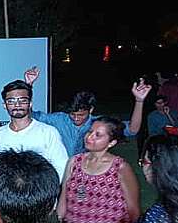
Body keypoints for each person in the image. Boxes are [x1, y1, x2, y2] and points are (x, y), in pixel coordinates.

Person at [57, 117, 140, 223]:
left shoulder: (120, 167)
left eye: (98, 135)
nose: (90, 137)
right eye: (90, 131)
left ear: (111, 143)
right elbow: (64, 198)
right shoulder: (74, 161)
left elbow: (133, 209)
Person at [24, 66, 152, 157]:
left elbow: (132, 129)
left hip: (87, 170)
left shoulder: (98, 123)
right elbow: (30, 117)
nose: (76, 118)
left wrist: (139, 101)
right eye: (72, 114)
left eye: (81, 115)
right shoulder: (59, 119)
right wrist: (28, 86)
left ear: (91, 110)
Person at [0, 79, 69, 178]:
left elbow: (61, 167)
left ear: (30, 103)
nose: (17, 105)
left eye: (23, 100)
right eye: (11, 101)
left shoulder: (48, 132)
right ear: (4, 105)